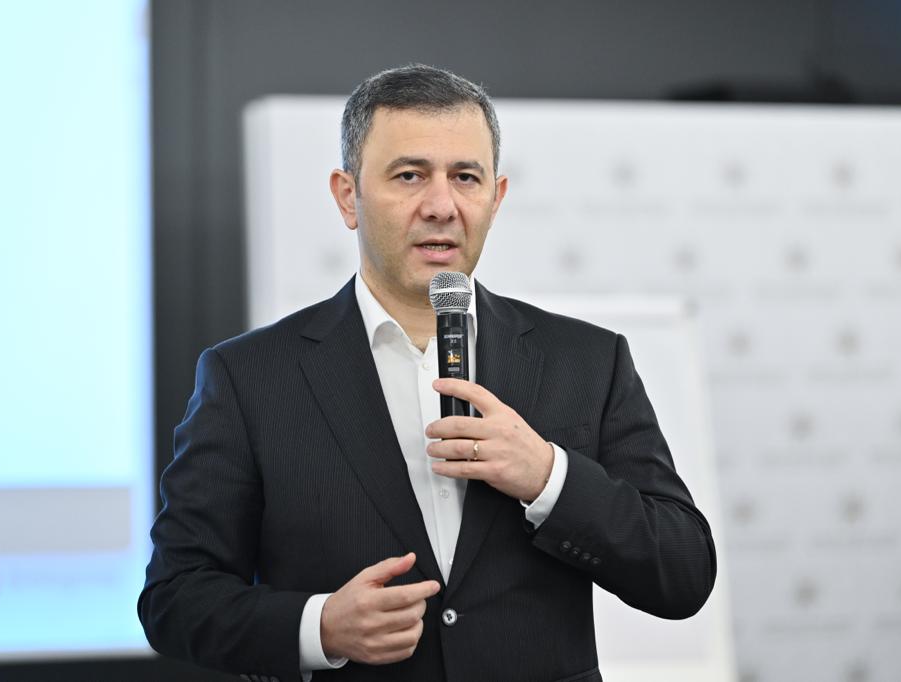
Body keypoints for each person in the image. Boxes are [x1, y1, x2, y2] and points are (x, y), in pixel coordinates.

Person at [139, 64, 716, 682]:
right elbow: (176, 596)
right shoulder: (249, 376)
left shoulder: (587, 360)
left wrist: (549, 477)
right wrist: (319, 626)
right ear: (348, 196)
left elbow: (683, 573)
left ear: (495, 198)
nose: (441, 206)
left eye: (465, 177)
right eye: (409, 175)